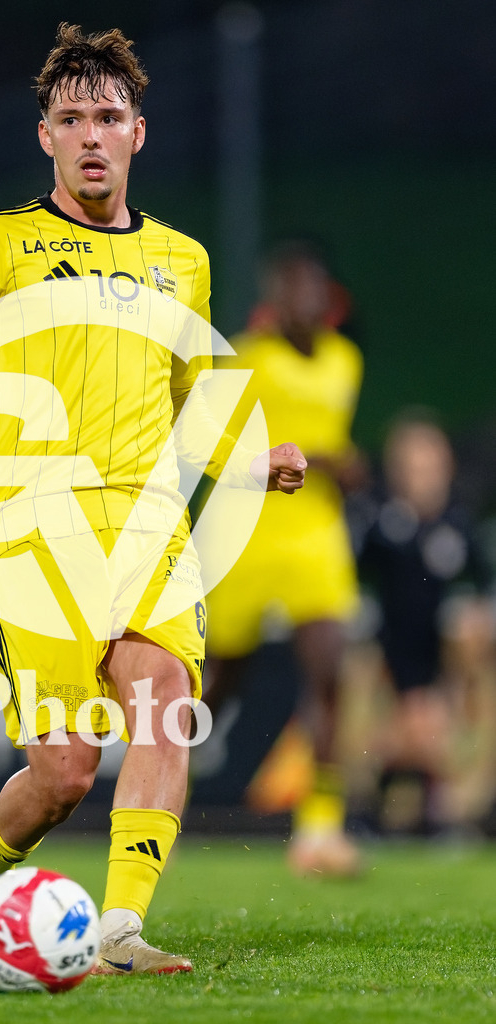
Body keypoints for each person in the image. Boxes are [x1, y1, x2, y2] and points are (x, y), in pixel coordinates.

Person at [0, 24, 305, 975]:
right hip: (34, 528)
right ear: (44, 137)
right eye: (70, 117)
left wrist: (250, 458)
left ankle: (117, 930)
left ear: (138, 134)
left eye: (106, 116)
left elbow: (198, 397)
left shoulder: (181, 260)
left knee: (163, 699)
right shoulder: (0, 243)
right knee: (64, 772)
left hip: (148, 524)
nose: (88, 135)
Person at [201, 240, 365, 877]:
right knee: (219, 683)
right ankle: (161, 797)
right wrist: (326, 460)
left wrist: (343, 466)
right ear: (276, 300)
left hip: (314, 537)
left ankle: (319, 832)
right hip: (246, 533)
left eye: (314, 289)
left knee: (329, 674)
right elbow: (215, 445)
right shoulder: (247, 359)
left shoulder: (346, 361)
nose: (306, 300)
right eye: (293, 289)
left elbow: (332, 441)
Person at [353, 413, 495, 833]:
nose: (422, 479)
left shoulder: (460, 524)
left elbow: (480, 592)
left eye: (431, 468)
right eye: (411, 469)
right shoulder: (378, 522)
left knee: (467, 638)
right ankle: (365, 798)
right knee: (371, 690)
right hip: (390, 667)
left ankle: (463, 805)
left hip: (445, 677)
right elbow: (354, 587)